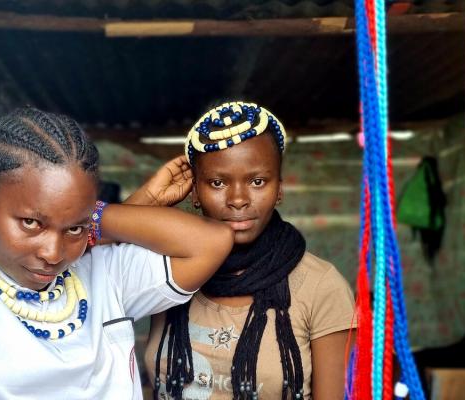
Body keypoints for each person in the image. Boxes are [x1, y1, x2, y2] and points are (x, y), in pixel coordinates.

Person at [0, 107, 234, 399]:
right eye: (30, 223)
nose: (53, 254)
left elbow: (211, 242)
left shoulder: (103, 274)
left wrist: (97, 215)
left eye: (73, 228)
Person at [136, 101, 356, 399]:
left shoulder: (321, 286)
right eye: (217, 182)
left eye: (257, 181)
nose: (238, 199)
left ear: (279, 189)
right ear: (196, 192)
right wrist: (147, 198)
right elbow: (84, 256)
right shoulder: (165, 270)